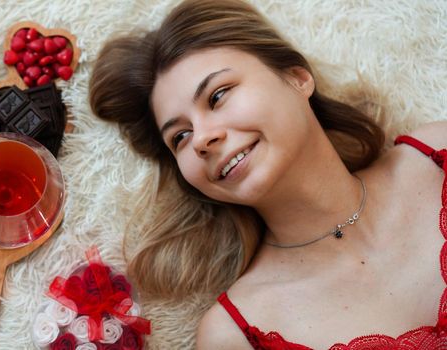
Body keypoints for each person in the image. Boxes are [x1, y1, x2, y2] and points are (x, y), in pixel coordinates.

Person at [88, 0, 447, 348]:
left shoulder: (437, 154)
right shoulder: (234, 336)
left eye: (217, 96)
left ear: (297, 78)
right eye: (179, 137)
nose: (201, 139)